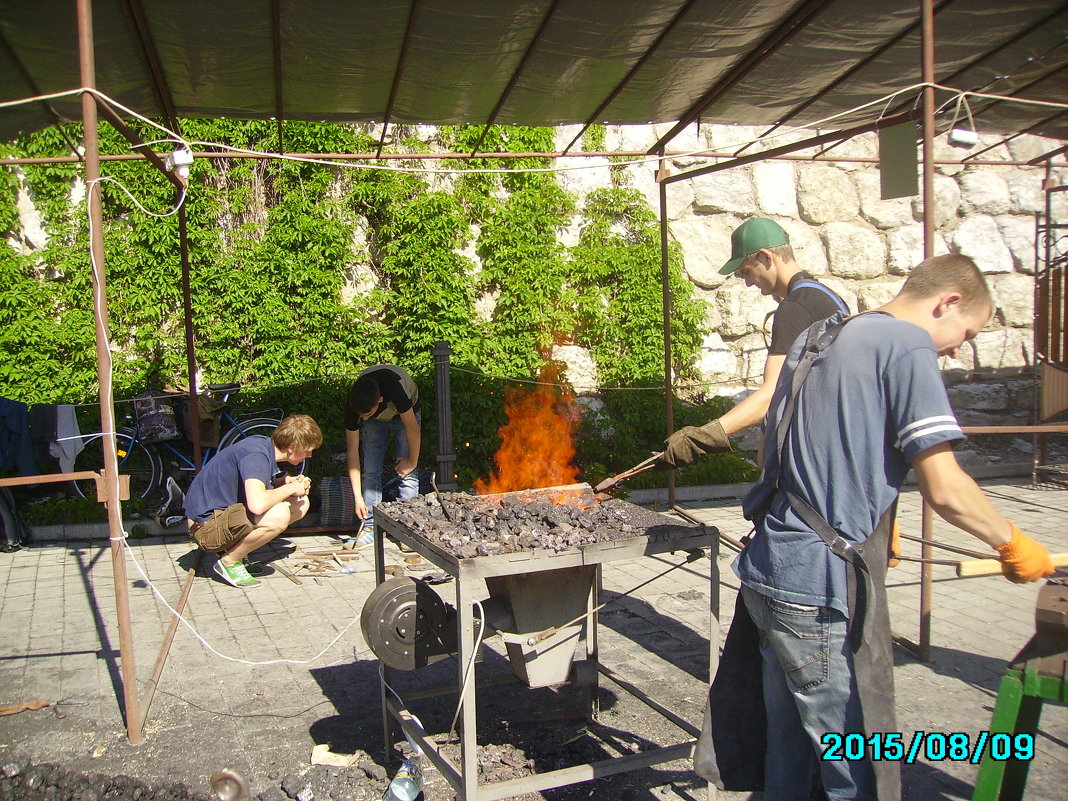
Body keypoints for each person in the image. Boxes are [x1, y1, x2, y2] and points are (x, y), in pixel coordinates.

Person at [695, 254, 1054, 800]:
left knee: (787, 750)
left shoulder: (819, 335)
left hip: (769, 569)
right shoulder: (907, 347)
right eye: (966, 332)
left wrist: (877, 520)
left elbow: (782, 451)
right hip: (816, 588)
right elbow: (947, 488)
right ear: (947, 302)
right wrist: (1013, 541)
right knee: (851, 761)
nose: (958, 347)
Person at [658, 216, 848, 467]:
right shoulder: (827, 297)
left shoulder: (795, 308)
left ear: (766, 257)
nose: (747, 282)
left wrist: (701, 439)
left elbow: (771, 394)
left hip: (818, 454)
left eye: (746, 272)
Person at [183, 414, 321, 589]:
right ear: (292, 448)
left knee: (300, 504)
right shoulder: (256, 456)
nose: (309, 455)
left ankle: (235, 551)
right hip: (205, 528)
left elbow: (272, 481)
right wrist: (291, 489)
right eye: (308, 450)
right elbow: (258, 504)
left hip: (219, 518)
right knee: (279, 514)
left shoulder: (264, 447)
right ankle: (230, 561)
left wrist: (292, 482)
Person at [344, 364, 421, 545]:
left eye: (367, 414)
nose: (364, 419)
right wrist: (358, 497)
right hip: (377, 420)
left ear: (380, 400)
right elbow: (352, 451)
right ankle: (371, 526)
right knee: (370, 471)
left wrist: (412, 461)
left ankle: (408, 531)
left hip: (406, 413)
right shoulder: (354, 405)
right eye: (360, 416)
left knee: (407, 473)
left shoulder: (396, 389)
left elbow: (413, 429)